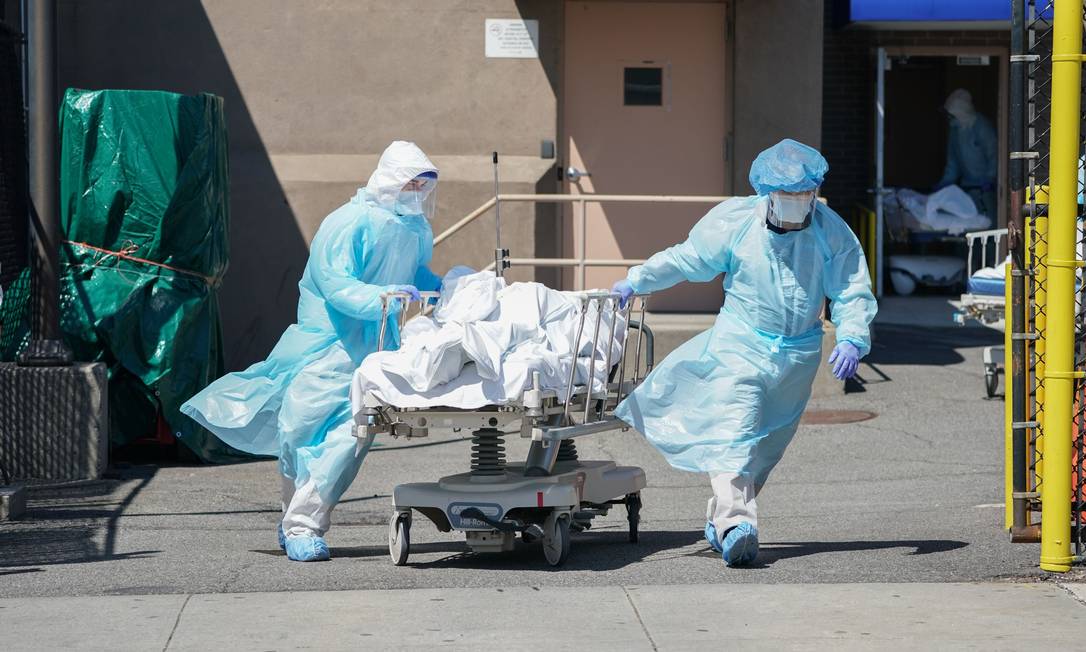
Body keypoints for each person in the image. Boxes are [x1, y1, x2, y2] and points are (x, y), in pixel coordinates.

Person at [611, 139, 877, 567]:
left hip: (798, 355)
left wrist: (851, 336)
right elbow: (690, 258)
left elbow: (850, 288)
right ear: (766, 193)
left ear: (814, 194)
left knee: (766, 448)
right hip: (742, 343)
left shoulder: (830, 230)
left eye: (803, 196)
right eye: (786, 196)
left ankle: (721, 520)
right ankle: (738, 524)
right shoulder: (736, 222)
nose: (795, 204)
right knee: (736, 431)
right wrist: (638, 280)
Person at [182, 141, 443, 561]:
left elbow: (415, 273)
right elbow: (335, 283)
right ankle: (293, 520)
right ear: (392, 179)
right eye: (410, 183)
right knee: (299, 433)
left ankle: (304, 525)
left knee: (348, 439)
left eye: (423, 185)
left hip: (374, 353)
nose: (416, 192)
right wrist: (383, 296)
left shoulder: (414, 229)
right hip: (327, 348)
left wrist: (438, 285)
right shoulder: (349, 222)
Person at [936, 88, 998, 224]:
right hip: (968, 188)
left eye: (952, 115)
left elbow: (994, 154)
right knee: (967, 224)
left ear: (961, 112)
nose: (949, 119)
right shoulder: (955, 130)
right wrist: (946, 182)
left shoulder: (982, 127)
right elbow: (953, 162)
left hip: (985, 189)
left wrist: (990, 178)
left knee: (987, 223)